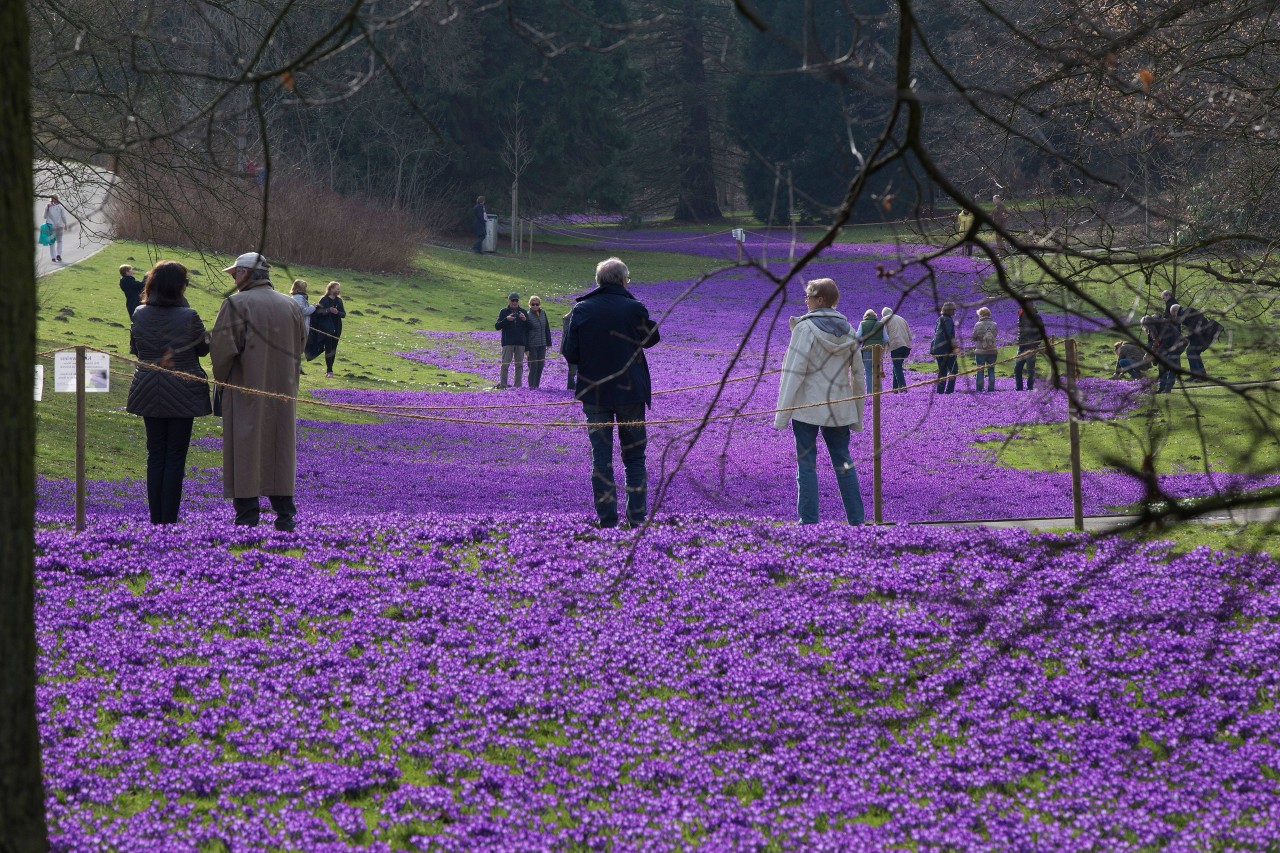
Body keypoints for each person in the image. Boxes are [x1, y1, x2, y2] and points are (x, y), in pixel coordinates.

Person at [210, 252, 306, 531]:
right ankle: (285, 514)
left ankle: (247, 515)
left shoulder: (236, 303)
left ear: (244, 274)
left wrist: (222, 380)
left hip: (245, 387)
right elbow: (300, 346)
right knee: (281, 449)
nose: (234, 280)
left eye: (235, 274)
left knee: (245, 448)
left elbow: (223, 350)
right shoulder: (291, 305)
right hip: (283, 390)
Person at [562, 257, 660, 528]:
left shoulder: (581, 309)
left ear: (599, 281)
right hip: (630, 395)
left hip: (595, 395)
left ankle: (607, 521)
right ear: (622, 280)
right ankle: (636, 519)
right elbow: (652, 339)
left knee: (601, 458)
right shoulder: (633, 308)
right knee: (634, 458)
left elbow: (570, 352)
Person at [125, 261, 213, 524]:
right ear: (179, 286)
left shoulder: (139, 313)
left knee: (155, 455)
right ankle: (169, 521)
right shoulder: (190, 316)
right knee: (175, 455)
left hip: (148, 386)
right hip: (183, 389)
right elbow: (203, 350)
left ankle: (156, 520)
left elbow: (136, 349)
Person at [774, 277, 866, 525]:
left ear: (820, 300)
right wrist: (857, 416)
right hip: (840, 408)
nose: (805, 301)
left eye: (809, 297)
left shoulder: (805, 329)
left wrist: (782, 415)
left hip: (807, 408)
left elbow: (793, 373)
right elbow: (859, 375)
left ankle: (809, 522)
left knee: (806, 465)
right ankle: (858, 521)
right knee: (844, 462)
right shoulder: (849, 330)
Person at [1174, 303, 1222, 380]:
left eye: (1174, 314)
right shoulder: (1187, 312)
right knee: (1194, 352)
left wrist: (1187, 336)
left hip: (1202, 336)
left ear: (1175, 311)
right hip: (1203, 335)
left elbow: (1194, 327)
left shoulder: (1186, 313)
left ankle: (1196, 376)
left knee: (1191, 352)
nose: (1175, 317)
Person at [309, 281, 346, 378]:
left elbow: (344, 314)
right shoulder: (323, 300)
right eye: (336, 288)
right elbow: (318, 312)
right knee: (328, 348)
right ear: (331, 289)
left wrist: (337, 312)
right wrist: (328, 310)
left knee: (333, 348)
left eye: (339, 289)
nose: (338, 290)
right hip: (326, 328)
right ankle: (329, 370)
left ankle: (330, 369)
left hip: (337, 327)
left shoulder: (339, 301)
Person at [1142, 312, 1183, 394]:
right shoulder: (1151, 330)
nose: (1147, 329)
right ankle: (1162, 388)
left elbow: (1165, 343)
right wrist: (1147, 353)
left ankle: (1168, 388)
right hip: (1164, 347)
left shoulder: (1165, 327)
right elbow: (1150, 342)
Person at [495, 292, 528, 389]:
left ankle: (518, 387)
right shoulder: (504, 312)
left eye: (516, 300)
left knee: (519, 366)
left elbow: (529, 327)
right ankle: (503, 386)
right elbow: (497, 326)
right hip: (507, 343)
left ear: (518, 301)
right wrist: (506, 319)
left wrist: (524, 319)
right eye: (512, 300)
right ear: (509, 301)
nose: (514, 302)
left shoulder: (523, 312)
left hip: (520, 343)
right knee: (505, 365)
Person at [930, 302, 959, 394]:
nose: (954, 311)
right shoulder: (948, 320)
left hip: (937, 348)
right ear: (949, 310)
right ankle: (949, 392)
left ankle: (940, 392)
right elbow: (949, 335)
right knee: (953, 370)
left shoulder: (939, 319)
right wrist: (955, 347)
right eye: (953, 310)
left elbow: (936, 333)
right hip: (946, 349)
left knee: (942, 371)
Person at [881, 307, 913, 391]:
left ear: (884, 315)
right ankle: (894, 389)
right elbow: (910, 335)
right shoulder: (901, 318)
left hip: (896, 345)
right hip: (906, 346)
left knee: (897, 368)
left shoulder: (884, 320)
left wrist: (883, 350)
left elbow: (884, 337)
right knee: (896, 366)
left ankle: (903, 388)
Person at [525, 295, 552, 390]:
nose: (535, 306)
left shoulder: (543, 313)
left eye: (537, 304)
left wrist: (549, 342)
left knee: (540, 365)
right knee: (533, 366)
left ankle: (537, 386)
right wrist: (526, 348)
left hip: (542, 344)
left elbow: (546, 328)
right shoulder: (527, 315)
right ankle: (531, 386)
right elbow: (526, 333)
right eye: (533, 304)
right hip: (532, 344)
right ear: (530, 304)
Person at [1014, 299, 1042, 391]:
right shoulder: (1021, 315)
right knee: (1017, 369)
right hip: (1022, 345)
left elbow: (1041, 332)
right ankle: (1019, 389)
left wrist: (1036, 344)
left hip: (1031, 346)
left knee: (1030, 370)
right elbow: (1020, 331)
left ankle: (1030, 388)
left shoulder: (1036, 317)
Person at [856, 308, 886, 392]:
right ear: (875, 316)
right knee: (877, 372)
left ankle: (870, 392)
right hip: (878, 351)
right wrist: (880, 344)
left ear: (865, 316)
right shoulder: (881, 324)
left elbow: (857, 336)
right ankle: (879, 391)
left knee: (868, 372)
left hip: (866, 350)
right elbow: (886, 339)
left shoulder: (862, 324)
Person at [970, 306, 999, 392]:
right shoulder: (994, 324)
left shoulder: (977, 325)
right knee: (991, 370)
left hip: (980, 351)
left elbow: (974, 337)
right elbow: (995, 335)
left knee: (980, 370)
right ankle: (991, 389)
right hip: (992, 351)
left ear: (981, 315)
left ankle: (979, 389)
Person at [44, 195, 67, 262]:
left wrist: (46, 210)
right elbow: (63, 216)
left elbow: (44, 216)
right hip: (59, 226)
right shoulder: (60, 207)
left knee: (52, 242)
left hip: (50, 226)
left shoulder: (48, 206)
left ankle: (53, 257)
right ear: (57, 199)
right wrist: (65, 224)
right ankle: (58, 255)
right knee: (59, 241)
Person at [561, 304, 578, 390]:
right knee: (572, 370)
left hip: (577, 349)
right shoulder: (569, 320)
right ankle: (571, 387)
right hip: (571, 349)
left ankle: (575, 387)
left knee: (576, 370)